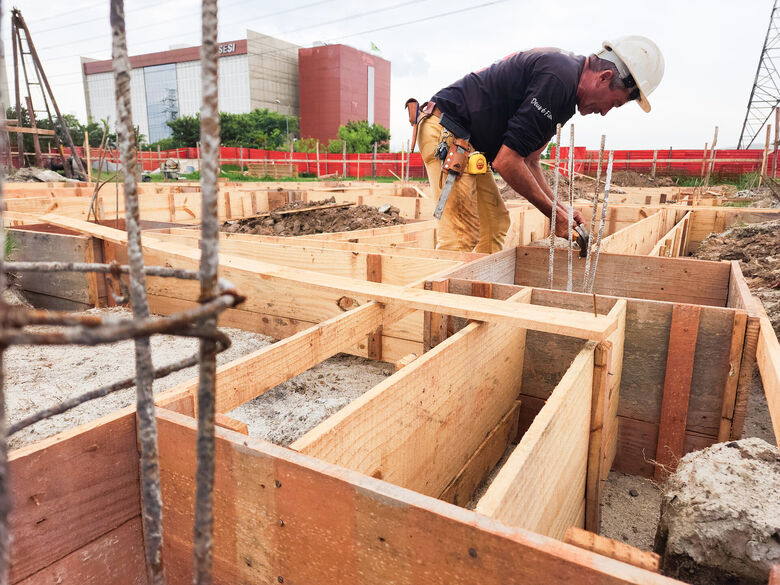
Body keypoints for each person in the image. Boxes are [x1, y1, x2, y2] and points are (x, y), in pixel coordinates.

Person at [408, 36, 664, 253]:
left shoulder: (567, 88)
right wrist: (554, 216)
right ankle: (443, 307)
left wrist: (560, 206)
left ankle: (474, 297)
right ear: (604, 77)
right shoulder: (559, 79)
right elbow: (507, 162)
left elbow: (529, 160)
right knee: (461, 235)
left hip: (467, 143)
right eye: (615, 102)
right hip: (448, 132)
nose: (606, 112)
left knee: (495, 223)